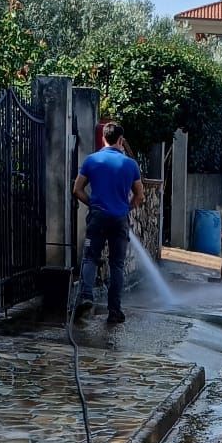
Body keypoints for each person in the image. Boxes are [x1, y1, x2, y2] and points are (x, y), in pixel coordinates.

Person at [72, 120, 144, 326]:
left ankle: (86, 296)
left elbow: (77, 189)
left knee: (90, 258)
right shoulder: (130, 164)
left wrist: (93, 203)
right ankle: (115, 311)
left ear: (103, 137)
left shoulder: (91, 160)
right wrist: (126, 208)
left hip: (98, 216)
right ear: (121, 140)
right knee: (117, 265)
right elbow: (139, 195)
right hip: (119, 219)